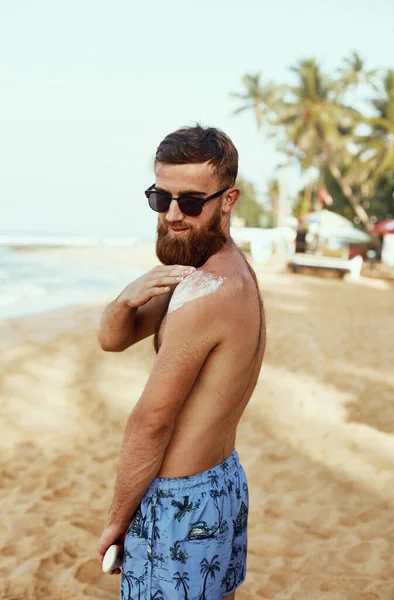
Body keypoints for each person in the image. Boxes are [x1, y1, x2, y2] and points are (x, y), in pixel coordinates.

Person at [96, 124, 266, 600]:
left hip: (181, 501)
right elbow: (113, 338)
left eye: (190, 201)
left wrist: (117, 520)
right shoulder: (213, 268)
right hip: (222, 480)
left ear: (228, 199)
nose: (172, 215)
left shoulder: (205, 293)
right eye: (160, 198)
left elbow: (151, 421)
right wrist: (127, 299)